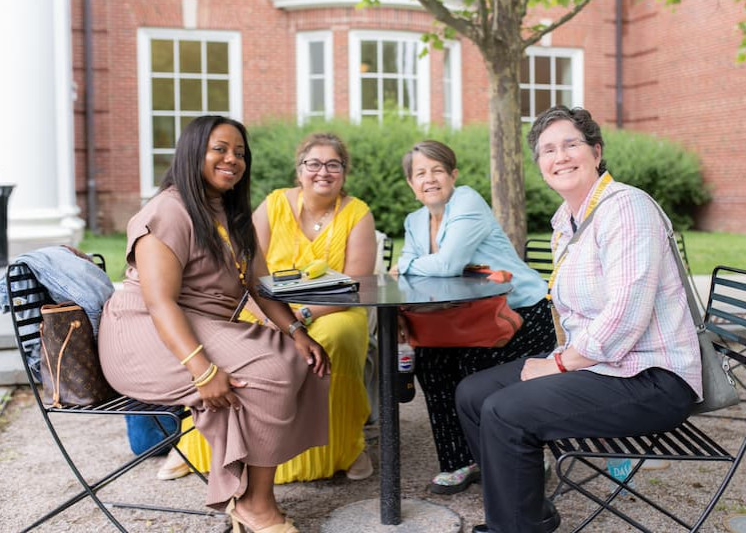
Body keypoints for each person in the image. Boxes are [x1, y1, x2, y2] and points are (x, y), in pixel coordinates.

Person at [455, 106, 703, 533]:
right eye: (548, 150)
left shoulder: (626, 208)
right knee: (473, 393)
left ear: (596, 151)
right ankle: (527, 513)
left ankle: (515, 528)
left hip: (653, 377)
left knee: (505, 411)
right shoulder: (566, 223)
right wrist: (559, 358)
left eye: (571, 144)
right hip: (605, 366)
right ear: (540, 166)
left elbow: (626, 314)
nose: (561, 156)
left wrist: (559, 365)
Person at [98, 115, 330, 533]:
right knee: (271, 369)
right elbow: (159, 302)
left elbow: (260, 286)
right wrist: (202, 370)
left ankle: (252, 493)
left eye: (240, 152)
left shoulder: (230, 211)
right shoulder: (168, 211)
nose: (232, 159)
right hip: (143, 333)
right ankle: (255, 506)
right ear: (193, 153)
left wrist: (297, 332)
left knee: (298, 359)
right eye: (219, 149)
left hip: (199, 322)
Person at [392, 140, 556, 495]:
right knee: (431, 364)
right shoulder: (414, 221)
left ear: (453, 175)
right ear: (410, 183)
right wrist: (415, 268)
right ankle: (459, 460)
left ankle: (524, 455)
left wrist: (405, 263)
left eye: (438, 170)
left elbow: (445, 266)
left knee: (474, 370)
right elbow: (418, 278)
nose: (429, 179)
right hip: (464, 318)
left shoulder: (467, 202)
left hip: (519, 312)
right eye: (420, 173)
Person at [252, 132, 377, 483]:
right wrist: (275, 318)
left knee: (335, 340)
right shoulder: (274, 204)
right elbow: (247, 266)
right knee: (239, 339)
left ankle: (347, 447)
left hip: (334, 309)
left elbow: (356, 284)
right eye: (314, 164)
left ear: (344, 172)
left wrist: (303, 316)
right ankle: (228, 447)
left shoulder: (357, 213)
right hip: (269, 306)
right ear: (299, 170)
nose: (323, 172)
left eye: (333, 165)